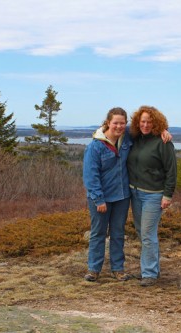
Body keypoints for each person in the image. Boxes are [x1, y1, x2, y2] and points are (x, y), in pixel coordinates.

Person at [127, 105, 177, 287]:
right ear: (137, 123)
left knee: (147, 234)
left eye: (149, 122)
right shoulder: (136, 138)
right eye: (143, 121)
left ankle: (149, 273)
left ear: (156, 123)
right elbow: (113, 128)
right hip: (135, 192)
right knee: (143, 233)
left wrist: (167, 195)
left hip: (153, 195)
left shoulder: (163, 143)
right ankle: (150, 269)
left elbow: (171, 171)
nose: (146, 125)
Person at [82, 107, 132, 282]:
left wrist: (163, 130)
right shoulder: (96, 146)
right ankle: (94, 269)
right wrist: (98, 199)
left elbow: (146, 129)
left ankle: (118, 269)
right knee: (98, 232)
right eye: (115, 123)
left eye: (122, 123)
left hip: (122, 197)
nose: (119, 126)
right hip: (101, 198)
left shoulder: (126, 140)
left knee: (118, 233)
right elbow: (90, 175)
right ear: (108, 123)